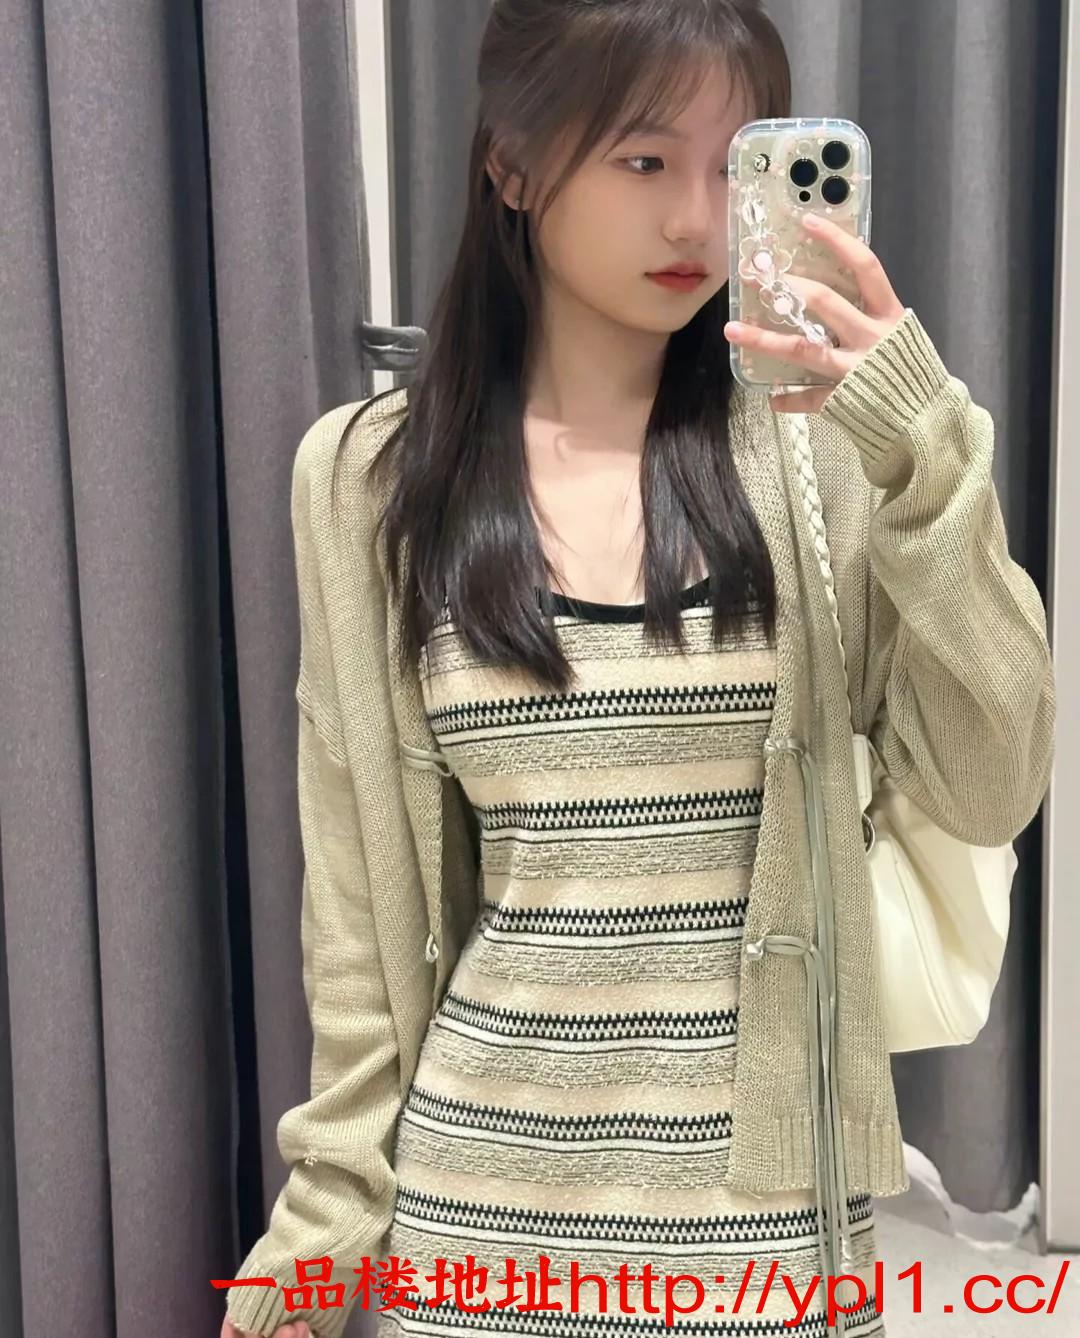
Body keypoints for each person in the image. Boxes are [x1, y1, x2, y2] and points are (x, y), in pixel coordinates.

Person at [222, 2, 1057, 1336]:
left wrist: (927, 454)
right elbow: (360, 930)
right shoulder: (371, 479)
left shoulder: (828, 459)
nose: (695, 220)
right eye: (645, 159)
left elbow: (993, 775)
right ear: (511, 162)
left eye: (735, 167)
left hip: (771, 1247)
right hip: (481, 1238)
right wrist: (310, 1255)